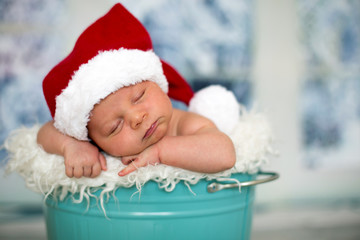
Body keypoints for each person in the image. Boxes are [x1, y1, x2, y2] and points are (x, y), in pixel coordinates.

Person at [37, 3, 236, 179]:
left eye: (139, 97)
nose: (136, 118)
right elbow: (45, 132)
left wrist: (161, 151)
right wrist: (73, 147)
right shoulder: (94, 141)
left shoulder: (182, 124)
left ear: (158, 84)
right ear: (92, 138)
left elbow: (224, 153)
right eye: (114, 127)